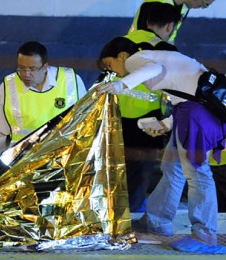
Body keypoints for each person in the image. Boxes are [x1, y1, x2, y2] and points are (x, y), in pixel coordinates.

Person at [97, 36, 226, 253]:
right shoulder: (157, 59)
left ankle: (205, 234)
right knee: (172, 167)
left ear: (121, 56)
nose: (114, 72)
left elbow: (154, 69)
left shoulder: (136, 59)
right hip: (193, 113)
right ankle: (156, 223)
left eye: (110, 65)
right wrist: (165, 124)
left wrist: (122, 84)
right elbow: (184, 96)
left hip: (196, 116)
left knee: (197, 174)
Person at [105, 3, 180, 212]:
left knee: (114, 170)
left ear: (146, 20)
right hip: (147, 121)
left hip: (116, 116)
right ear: (170, 26)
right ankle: (131, 218)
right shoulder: (167, 50)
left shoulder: (121, 42)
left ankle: (111, 214)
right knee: (140, 173)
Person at [0, 41, 87, 163]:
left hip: (62, 160)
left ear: (45, 67)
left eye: (32, 69)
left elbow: (85, 120)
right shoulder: (7, 88)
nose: (26, 74)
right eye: (21, 68)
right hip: (23, 162)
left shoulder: (70, 81)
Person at [129, 0, 215, 43]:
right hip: (135, 53)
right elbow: (146, 42)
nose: (202, 8)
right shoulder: (158, 4)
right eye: (205, 4)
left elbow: (170, 38)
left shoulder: (183, 8)